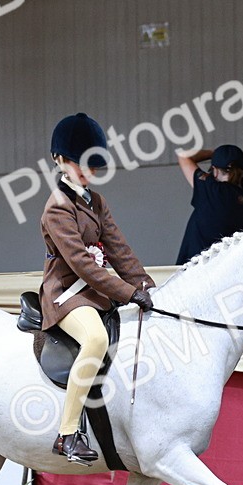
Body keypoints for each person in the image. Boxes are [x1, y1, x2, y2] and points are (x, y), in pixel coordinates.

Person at [40, 113, 155, 465]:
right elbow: (83, 264)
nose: (89, 171)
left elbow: (119, 249)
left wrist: (145, 284)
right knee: (95, 339)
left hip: (95, 291)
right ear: (60, 160)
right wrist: (128, 293)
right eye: (82, 163)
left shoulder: (96, 201)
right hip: (66, 293)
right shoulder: (57, 208)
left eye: (94, 164)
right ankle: (68, 434)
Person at [175, 144, 243, 265]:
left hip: (199, 267)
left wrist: (214, 153)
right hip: (235, 267)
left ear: (215, 171)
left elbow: (183, 155)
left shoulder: (211, 189)